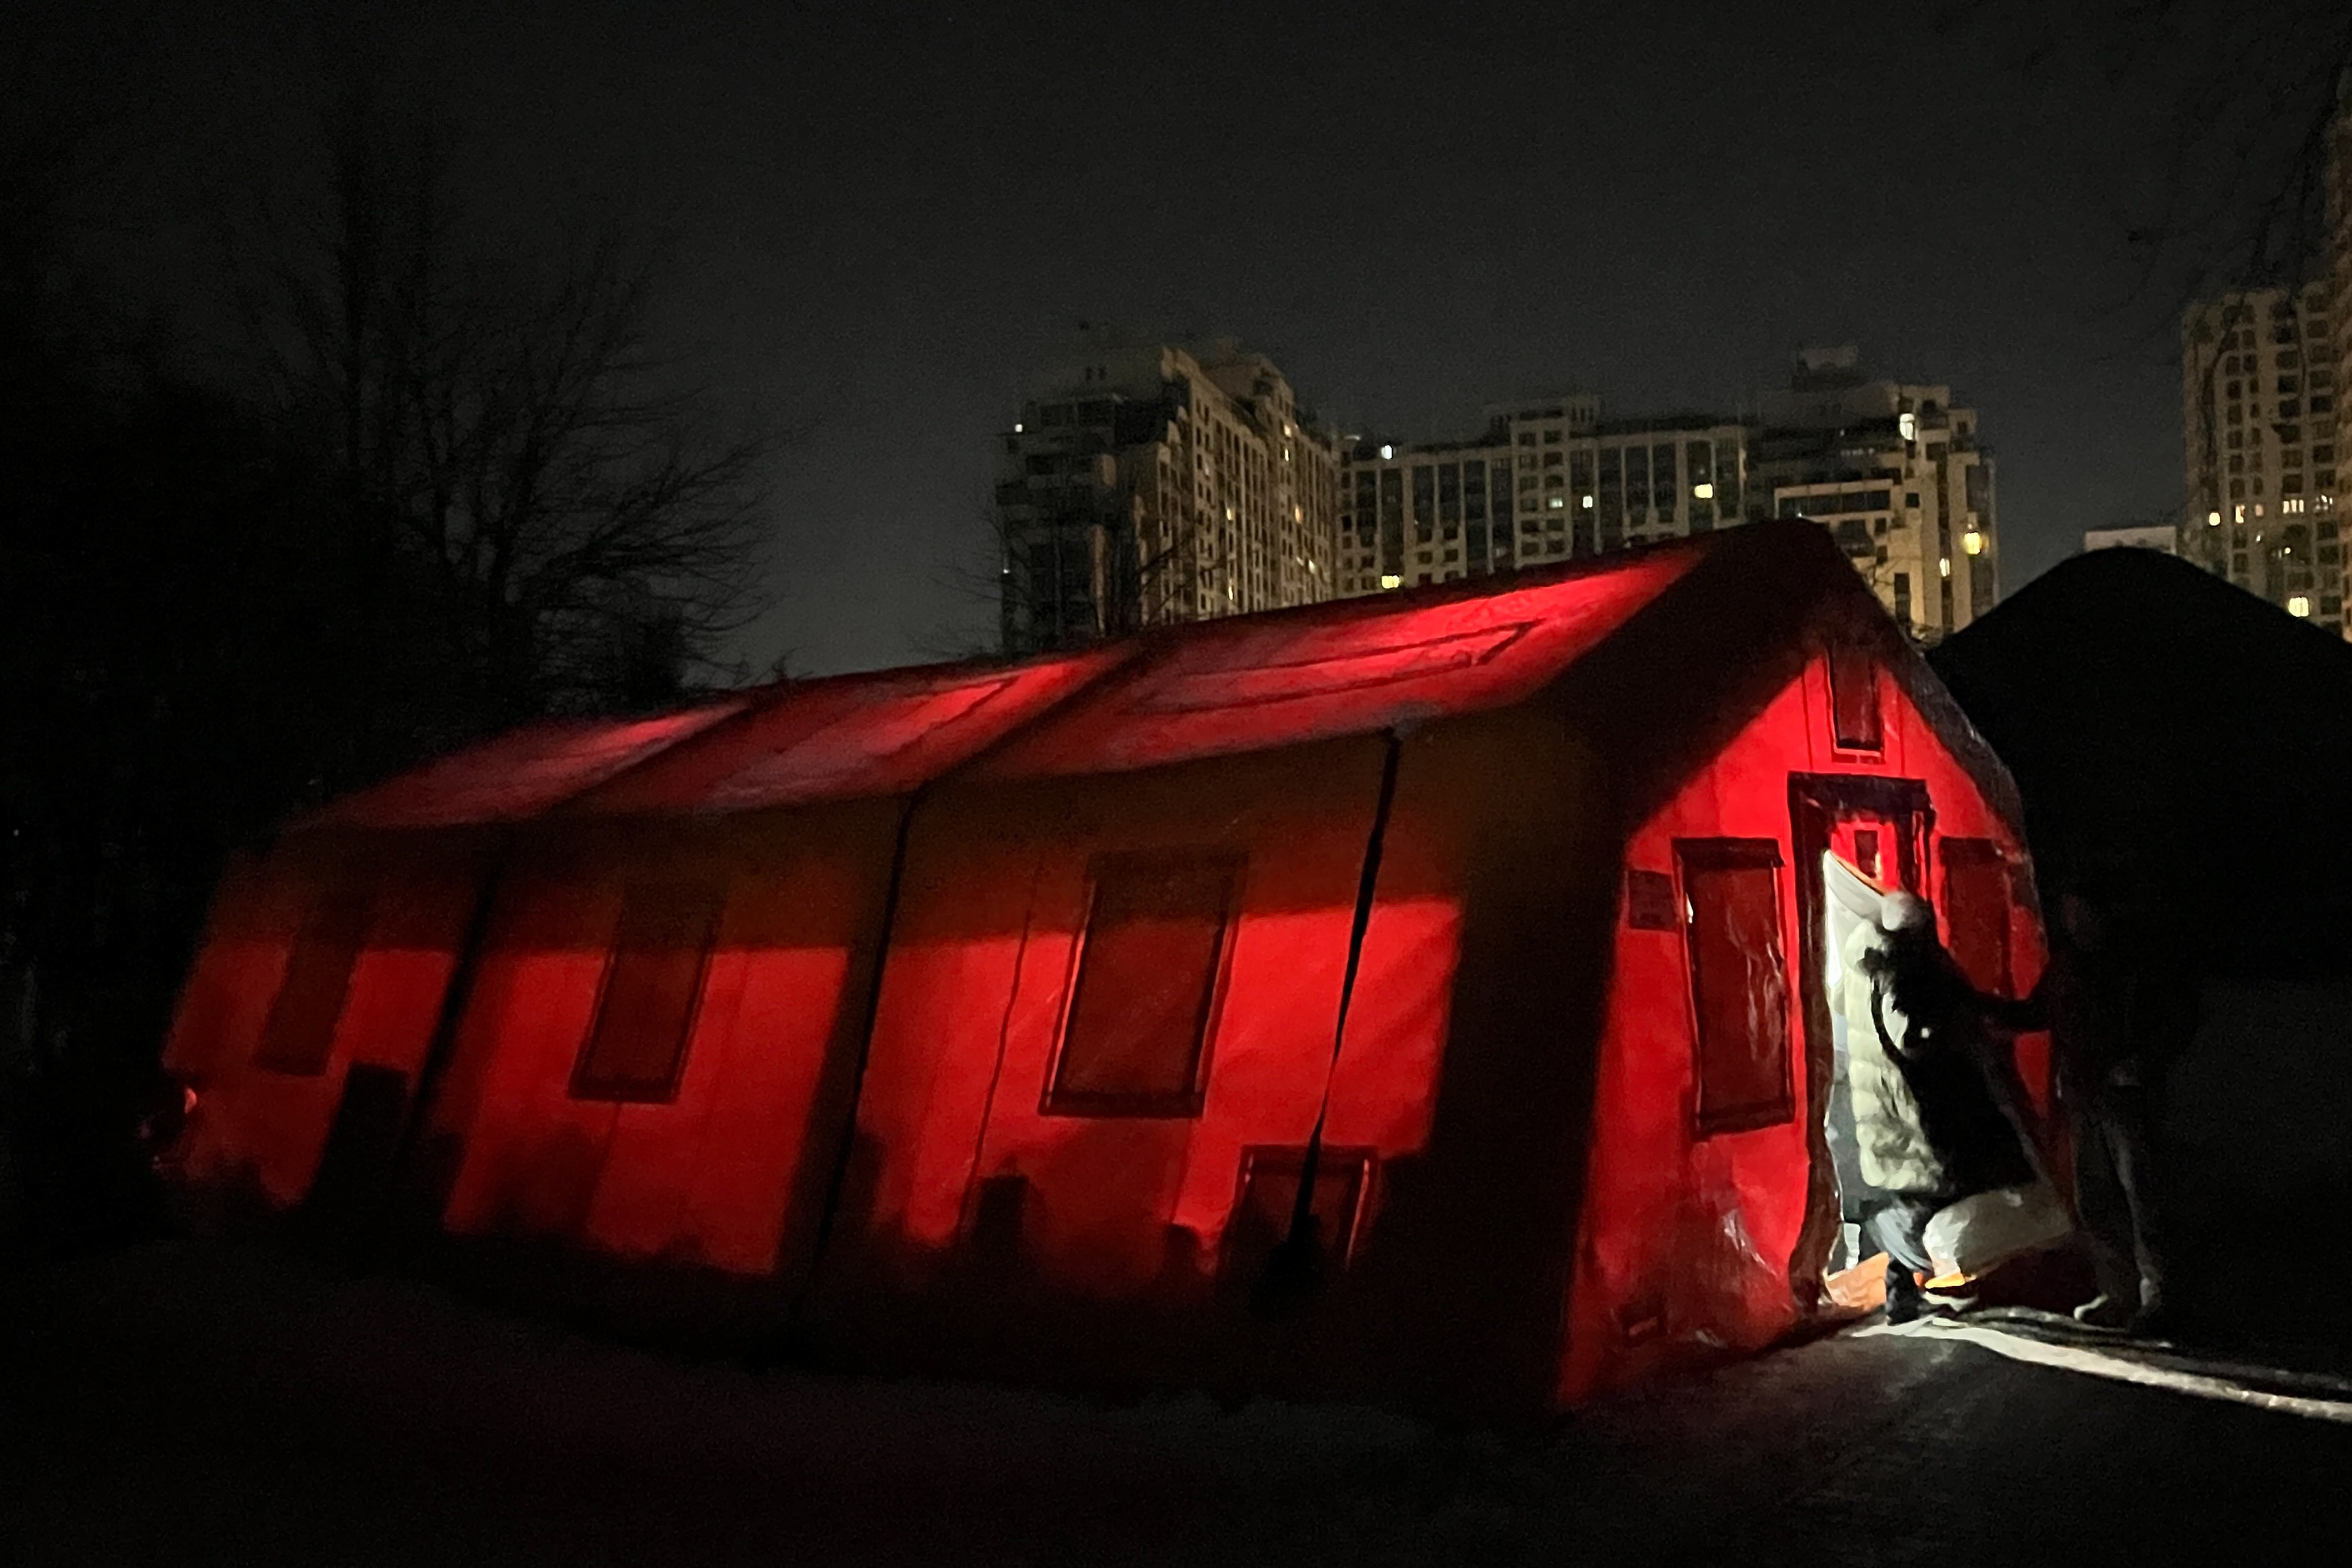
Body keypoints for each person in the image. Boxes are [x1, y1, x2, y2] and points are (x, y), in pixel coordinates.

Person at [1842, 893, 2038, 1323]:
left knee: (1921, 1190)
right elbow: (1911, 1035)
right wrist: (1960, 1032)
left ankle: (1904, 1296)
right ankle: (1909, 1262)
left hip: (1895, 1105)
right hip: (1916, 1106)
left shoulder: (1875, 963)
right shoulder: (1900, 970)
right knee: (1932, 1193)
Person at [2017, 889, 2198, 1334]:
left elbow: (2179, 1017)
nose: (2074, 919)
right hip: (2084, 1099)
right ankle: (2118, 1293)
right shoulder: (2066, 966)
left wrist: (2144, 1062)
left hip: (2126, 1100)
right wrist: (1978, 1008)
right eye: (2069, 912)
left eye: (2081, 910)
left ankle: (2160, 1298)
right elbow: (2036, 1012)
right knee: (2095, 1199)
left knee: (2142, 1197)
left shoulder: (2134, 963)